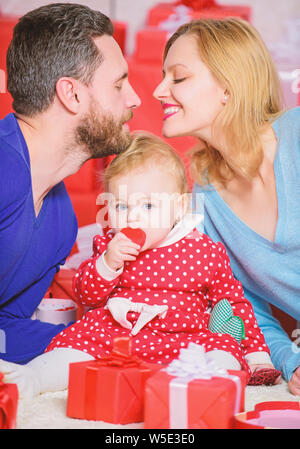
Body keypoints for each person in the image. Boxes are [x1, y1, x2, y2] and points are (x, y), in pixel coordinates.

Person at [0, 132, 279, 398]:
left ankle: (188, 392)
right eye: (121, 207)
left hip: (183, 340)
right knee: (71, 349)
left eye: (147, 207)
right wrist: (108, 264)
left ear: (179, 208)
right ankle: (33, 378)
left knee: (223, 353)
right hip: (116, 337)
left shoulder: (204, 251)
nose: (133, 218)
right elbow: (86, 294)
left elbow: (234, 304)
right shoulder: (108, 244)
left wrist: (257, 355)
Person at [153, 17, 300, 395]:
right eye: (162, 76)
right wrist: (290, 361)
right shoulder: (204, 198)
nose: (158, 91)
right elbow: (242, 307)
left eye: (178, 77)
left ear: (228, 87)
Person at [0, 3, 140, 365]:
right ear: (72, 94)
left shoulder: (60, 221)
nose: (135, 99)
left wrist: (119, 339)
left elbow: (5, 330)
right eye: (118, 84)